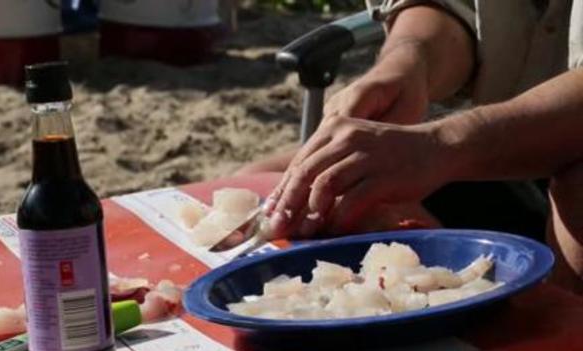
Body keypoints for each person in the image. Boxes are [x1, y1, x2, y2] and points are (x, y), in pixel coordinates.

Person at [239, 1, 583, 292]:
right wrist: (409, 62)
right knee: (261, 180)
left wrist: (441, 146)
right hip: (497, 146)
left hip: (549, 159)